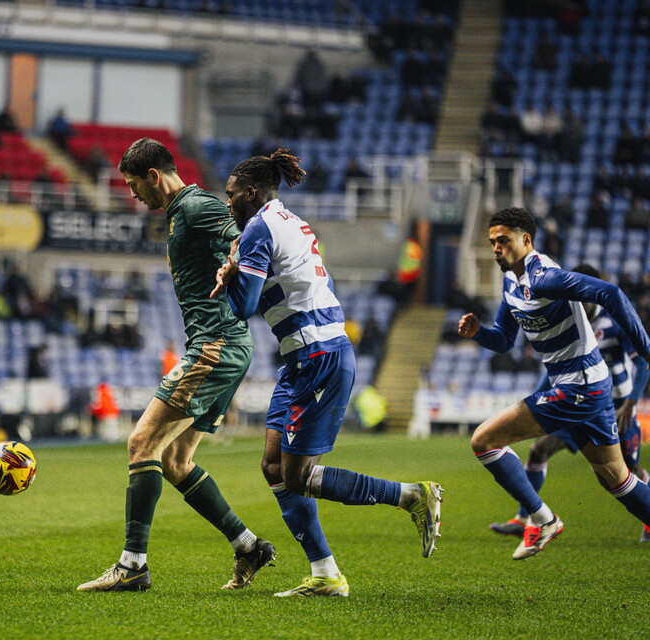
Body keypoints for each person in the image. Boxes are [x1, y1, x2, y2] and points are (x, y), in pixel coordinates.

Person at [211, 149, 441, 598]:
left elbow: (241, 308)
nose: (227, 203)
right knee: (273, 467)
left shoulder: (259, 227)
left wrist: (231, 271)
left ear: (251, 193)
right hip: (304, 358)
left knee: (297, 476)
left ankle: (412, 495)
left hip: (319, 356)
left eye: (231, 195)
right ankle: (325, 574)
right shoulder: (292, 222)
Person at [77, 138, 274, 593]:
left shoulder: (195, 206)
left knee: (140, 442)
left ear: (153, 176)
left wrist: (236, 263)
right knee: (175, 460)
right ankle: (248, 546)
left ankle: (132, 565)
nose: (132, 195)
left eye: (132, 185)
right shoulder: (181, 212)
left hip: (215, 346)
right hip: (225, 345)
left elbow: (247, 238)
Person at [457, 207, 650, 560]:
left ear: (526, 240)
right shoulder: (511, 282)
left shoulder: (545, 278)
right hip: (587, 386)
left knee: (484, 440)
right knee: (616, 479)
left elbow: (612, 294)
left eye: (504, 240)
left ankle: (542, 520)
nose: (496, 248)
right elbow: (503, 339)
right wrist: (478, 333)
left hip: (579, 387)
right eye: (492, 242)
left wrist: (646, 349)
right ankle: (541, 518)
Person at [489, 264, 650, 542]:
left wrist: (632, 402)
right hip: (574, 402)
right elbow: (554, 370)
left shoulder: (614, 321)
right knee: (539, 450)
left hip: (616, 407)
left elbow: (643, 365)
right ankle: (525, 518)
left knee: (624, 470)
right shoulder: (568, 319)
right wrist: (534, 401)